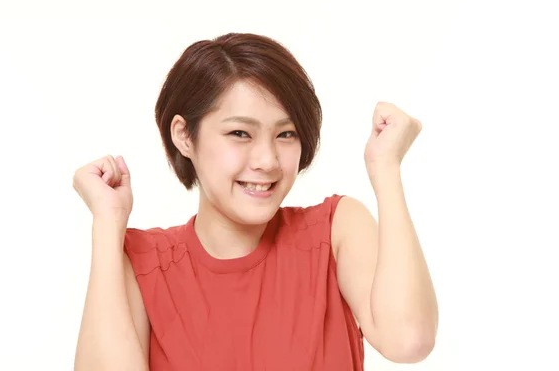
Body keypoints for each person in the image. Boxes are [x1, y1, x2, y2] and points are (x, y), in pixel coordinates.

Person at [72, 32, 438, 371]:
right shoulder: (140, 264)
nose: (267, 160)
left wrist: (385, 167)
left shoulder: (336, 231)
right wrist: (108, 221)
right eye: (240, 133)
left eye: (286, 133)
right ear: (184, 136)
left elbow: (408, 341)